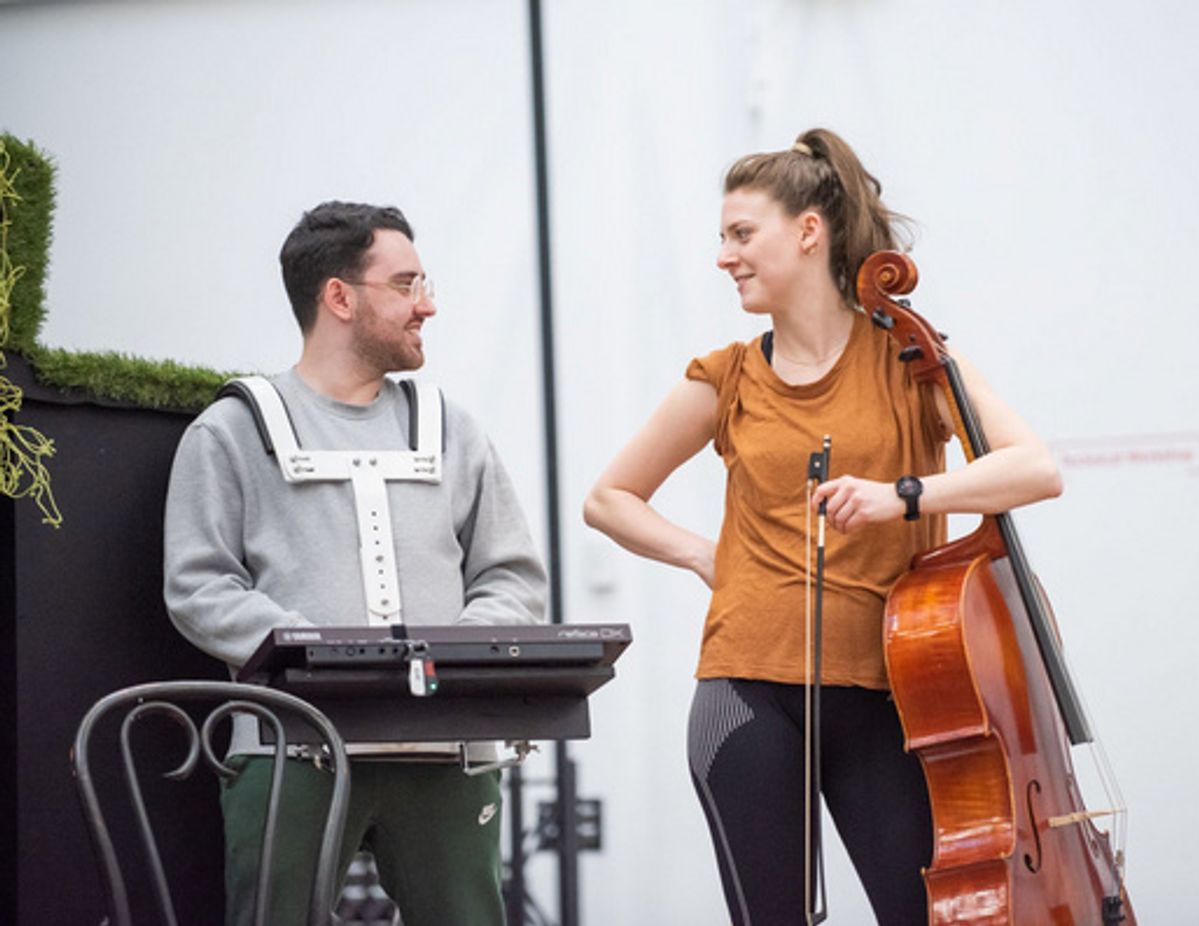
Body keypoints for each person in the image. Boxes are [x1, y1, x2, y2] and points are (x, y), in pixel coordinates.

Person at [583, 128, 1063, 924]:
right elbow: (609, 498)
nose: (724, 256)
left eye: (742, 234)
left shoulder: (913, 360)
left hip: (891, 699)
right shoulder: (726, 376)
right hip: (746, 693)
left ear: (808, 231)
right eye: (723, 238)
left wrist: (903, 496)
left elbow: (1034, 469)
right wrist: (704, 555)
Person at [164, 201, 547, 926]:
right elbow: (199, 584)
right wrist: (315, 655)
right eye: (405, 285)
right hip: (290, 752)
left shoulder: (452, 429)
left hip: (448, 755)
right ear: (339, 297)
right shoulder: (231, 430)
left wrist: (456, 658)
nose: (426, 305)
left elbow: (511, 578)